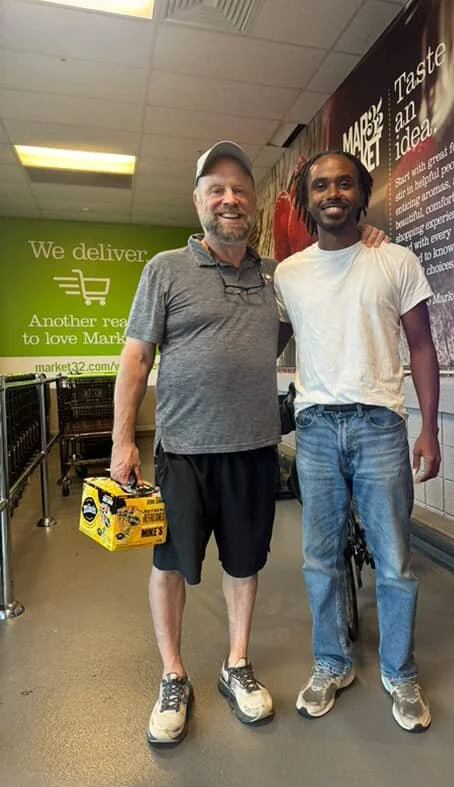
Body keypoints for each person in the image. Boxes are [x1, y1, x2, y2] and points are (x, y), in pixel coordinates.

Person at [110, 141, 387, 748]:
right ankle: (173, 676)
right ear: (199, 202)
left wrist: (368, 237)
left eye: (239, 189)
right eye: (217, 189)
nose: (229, 199)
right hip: (183, 450)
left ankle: (236, 664)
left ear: (254, 204)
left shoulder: (274, 277)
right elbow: (135, 358)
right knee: (169, 566)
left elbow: (326, 282)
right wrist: (123, 440)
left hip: (255, 449)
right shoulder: (164, 270)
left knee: (246, 563)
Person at [273, 150, 441, 732]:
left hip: (381, 428)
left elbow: (421, 346)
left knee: (395, 562)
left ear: (361, 194)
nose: (332, 193)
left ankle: (400, 672)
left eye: (344, 183)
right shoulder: (288, 275)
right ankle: (331, 663)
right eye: (321, 185)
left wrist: (430, 429)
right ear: (307, 199)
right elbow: (263, 346)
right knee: (320, 559)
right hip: (316, 430)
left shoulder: (394, 260)